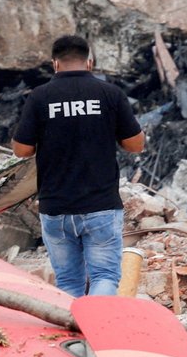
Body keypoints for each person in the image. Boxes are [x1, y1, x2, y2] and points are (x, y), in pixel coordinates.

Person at [11, 34, 145, 297]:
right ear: (90, 62)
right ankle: (96, 334)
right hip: (101, 207)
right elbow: (135, 145)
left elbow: (21, 150)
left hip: (56, 208)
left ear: (55, 64)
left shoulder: (40, 97)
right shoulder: (109, 94)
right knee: (104, 276)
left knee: (68, 283)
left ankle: (71, 337)